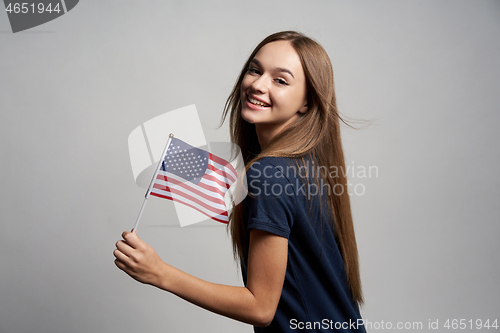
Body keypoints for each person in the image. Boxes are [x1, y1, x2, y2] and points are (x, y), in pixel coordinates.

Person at [114, 31, 366, 332]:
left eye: (280, 80)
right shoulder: (305, 166)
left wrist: (160, 273)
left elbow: (260, 307)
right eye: (255, 70)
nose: (258, 85)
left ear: (306, 102)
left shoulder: (268, 173)